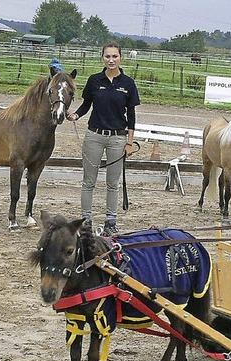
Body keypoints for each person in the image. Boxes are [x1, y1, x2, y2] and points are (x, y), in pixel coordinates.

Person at [66, 42, 140, 235]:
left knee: (112, 183)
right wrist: (76, 115)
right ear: (103, 58)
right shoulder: (94, 80)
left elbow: (131, 116)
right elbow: (86, 105)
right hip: (94, 136)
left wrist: (130, 142)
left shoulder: (128, 84)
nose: (111, 60)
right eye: (107, 56)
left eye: (115, 56)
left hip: (117, 138)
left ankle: (111, 220)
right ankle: (86, 220)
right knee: (88, 180)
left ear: (120, 57)